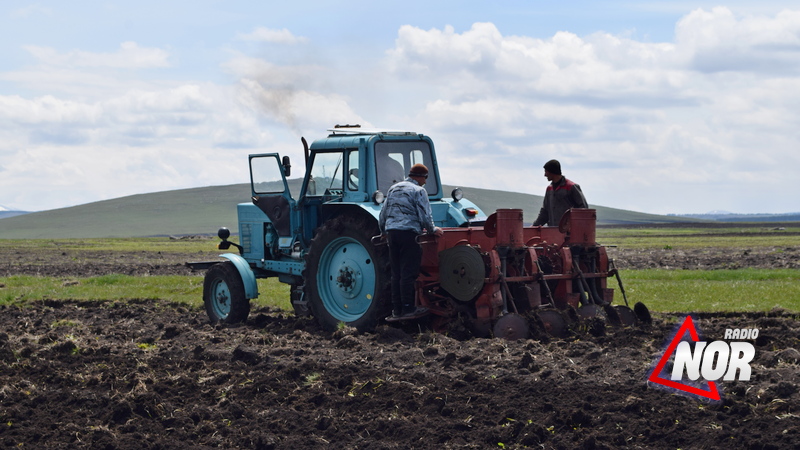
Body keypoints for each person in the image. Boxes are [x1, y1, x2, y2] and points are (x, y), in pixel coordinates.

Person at [379, 163, 443, 321]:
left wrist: (383, 232)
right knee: (408, 273)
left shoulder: (394, 188)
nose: (425, 182)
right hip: (409, 234)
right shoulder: (419, 191)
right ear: (421, 177)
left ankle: (397, 310)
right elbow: (424, 214)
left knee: (396, 274)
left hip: (392, 234)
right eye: (425, 178)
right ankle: (408, 308)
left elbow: (383, 213)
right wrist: (432, 230)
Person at [532, 159, 588, 226]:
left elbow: (583, 208)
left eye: (546, 171)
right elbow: (545, 212)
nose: (545, 175)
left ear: (552, 171)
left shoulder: (571, 187)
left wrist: (572, 223)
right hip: (553, 231)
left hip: (570, 232)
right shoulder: (549, 189)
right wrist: (534, 226)